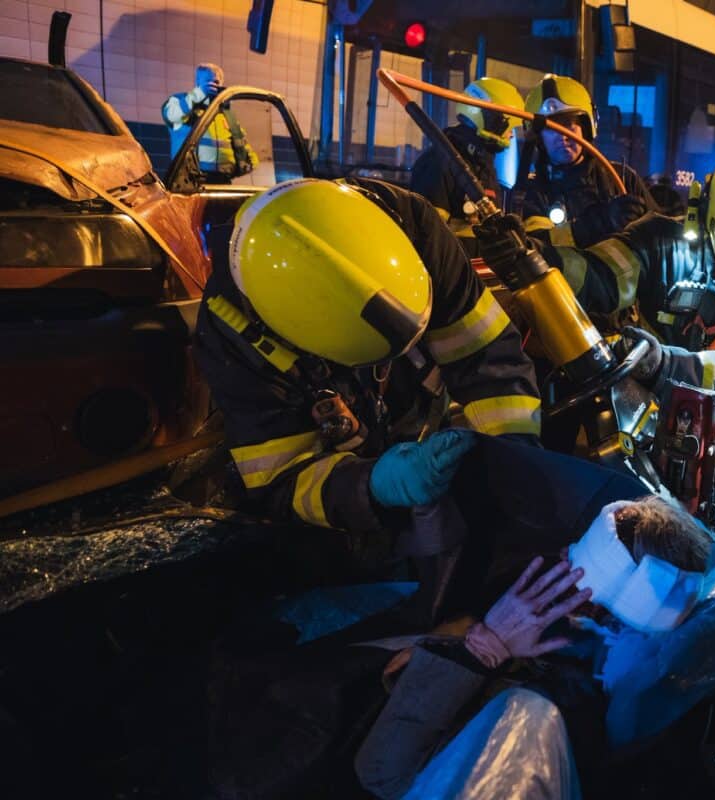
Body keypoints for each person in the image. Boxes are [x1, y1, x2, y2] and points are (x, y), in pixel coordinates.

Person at [192, 177, 540, 575]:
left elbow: (486, 357)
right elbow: (282, 479)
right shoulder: (233, 333)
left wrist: (515, 455)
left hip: (420, 424)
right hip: (351, 501)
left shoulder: (413, 226)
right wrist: (376, 485)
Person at [480, 137, 715, 535]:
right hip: (651, 443)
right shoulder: (659, 241)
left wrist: (661, 363)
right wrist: (528, 257)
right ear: (706, 210)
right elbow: (597, 276)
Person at [354, 494, 713, 799]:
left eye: (569, 579)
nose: (556, 561)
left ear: (595, 609)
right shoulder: (655, 668)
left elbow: (381, 774)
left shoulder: (543, 710)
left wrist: (482, 649)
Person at [517, 74, 657, 249]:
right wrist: (600, 221)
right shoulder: (532, 191)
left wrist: (646, 223)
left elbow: (658, 236)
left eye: (569, 124)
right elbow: (538, 245)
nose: (563, 136)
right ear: (539, 138)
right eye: (551, 128)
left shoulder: (621, 178)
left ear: (587, 128)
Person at [408, 77, 524, 256]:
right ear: (487, 118)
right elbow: (429, 240)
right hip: (455, 278)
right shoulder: (439, 162)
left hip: (479, 276)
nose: (511, 134)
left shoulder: (483, 165)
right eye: (508, 125)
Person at [162, 62, 258, 181]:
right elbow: (172, 116)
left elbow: (239, 139)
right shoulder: (181, 101)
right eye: (208, 81)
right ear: (197, 83)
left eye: (216, 82)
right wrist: (198, 94)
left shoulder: (224, 112)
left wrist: (250, 163)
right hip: (192, 180)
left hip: (223, 179)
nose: (213, 85)